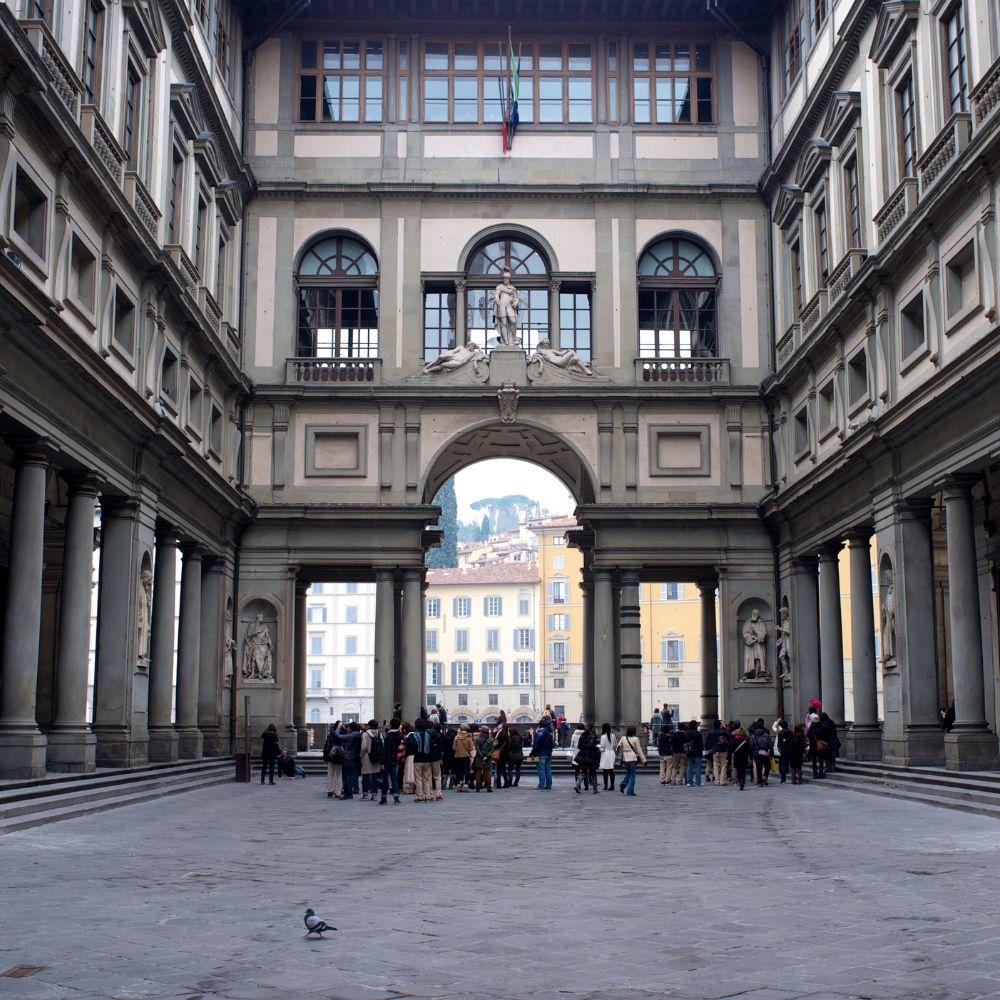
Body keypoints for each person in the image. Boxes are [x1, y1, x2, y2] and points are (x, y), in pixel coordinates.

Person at [406, 718, 434, 802]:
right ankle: (428, 796)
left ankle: (420, 796)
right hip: (427, 759)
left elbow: (410, 745)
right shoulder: (428, 735)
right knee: (426, 778)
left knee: (418, 779)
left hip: (418, 759)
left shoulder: (413, 735)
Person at [616, 726, 646, 796]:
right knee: (632, 775)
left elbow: (618, 747)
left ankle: (624, 783)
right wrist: (644, 760)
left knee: (629, 772)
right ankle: (630, 791)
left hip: (625, 759)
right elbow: (639, 750)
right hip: (632, 758)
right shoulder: (636, 739)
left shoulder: (623, 738)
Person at [379, 718, 403, 804]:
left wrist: (382, 762)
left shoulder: (388, 735)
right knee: (394, 779)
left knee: (385, 779)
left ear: (391, 725)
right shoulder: (400, 735)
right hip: (396, 759)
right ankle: (396, 797)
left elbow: (385, 750)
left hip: (387, 759)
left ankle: (384, 798)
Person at [360, 720, 383, 801]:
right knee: (375, 777)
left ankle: (365, 794)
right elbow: (382, 745)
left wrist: (361, 756)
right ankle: (374, 794)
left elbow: (363, 747)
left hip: (367, 756)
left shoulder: (365, 734)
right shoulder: (379, 734)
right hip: (376, 757)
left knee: (365, 776)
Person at [574, 723, 600, 794]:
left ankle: (577, 784)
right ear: (592, 728)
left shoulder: (583, 735)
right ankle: (595, 789)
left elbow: (579, 746)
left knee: (583, 771)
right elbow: (591, 746)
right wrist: (597, 748)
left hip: (583, 755)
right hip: (591, 756)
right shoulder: (593, 735)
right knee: (593, 772)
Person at [323, 722, 344, 798]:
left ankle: (329, 790)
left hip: (331, 756)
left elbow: (326, 746)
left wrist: (325, 757)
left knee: (330, 774)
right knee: (338, 775)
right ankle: (337, 791)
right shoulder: (343, 734)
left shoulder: (331, 734)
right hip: (339, 756)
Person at [531, 719, 554, 790]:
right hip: (548, 754)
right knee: (548, 770)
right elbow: (552, 745)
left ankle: (541, 785)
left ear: (539, 725)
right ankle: (549, 785)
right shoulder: (549, 734)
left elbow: (536, 745)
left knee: (541, 770)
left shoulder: (539, 734)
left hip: (541, 754)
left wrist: (532, 753)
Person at [452, 724, 474, 790]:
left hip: (457, 756)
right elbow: (471, 748)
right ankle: (466, 785)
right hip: (466, 756)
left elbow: (454, 748)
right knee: (466, 771)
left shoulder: (456, 737)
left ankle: (459, 784)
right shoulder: (469, 737)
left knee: (459, 771)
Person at [683, 720, 704, 787]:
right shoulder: (698, 733)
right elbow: (701, 744)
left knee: (689, 767)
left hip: (689, 752)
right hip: (697, 752)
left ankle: (689, 782)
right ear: (696, 726)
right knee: (697, 767)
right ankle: (698, 782)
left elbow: (684, 743)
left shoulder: (686, 733)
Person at [473, 726, 494, 792]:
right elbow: (492, 749)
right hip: (488, 758)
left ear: (482, 731)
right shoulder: (491, 739)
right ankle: (488, 787)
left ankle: (477, 788)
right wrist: (487, 756)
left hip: (479, 758)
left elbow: (477, 749)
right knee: (488, 773)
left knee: (478, 773)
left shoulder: (477, 738)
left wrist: (482, 756)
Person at [730, 726, 752, 790]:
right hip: (744, 758)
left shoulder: (734, 741)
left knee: (738, 771)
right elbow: (749, 750)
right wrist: (751, 758)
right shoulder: (746, 741)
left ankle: (740, 782)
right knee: (743, 771)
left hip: (736, 758)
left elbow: (731, 749)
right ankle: (742, 783)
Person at [751, 721, 771, 786]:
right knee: (767, 766)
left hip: (757, 753)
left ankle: (760, 781)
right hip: (765, 753)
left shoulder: (753, 736)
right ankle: (765, 776)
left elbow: (751, 745)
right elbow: (769, 744)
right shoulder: (766, 735)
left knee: (759, 767)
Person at [428, 721, 445, 801]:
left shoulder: (427, 735)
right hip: (436, 757)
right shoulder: (439, 736)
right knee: (437, 777)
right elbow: (441, 748)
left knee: (429, 777)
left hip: (428, 757)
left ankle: (430, 794)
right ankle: (438, 794)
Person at [808, 713, 826, 779]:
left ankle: (815, 774)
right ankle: (821, 773)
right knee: (821, 760)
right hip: (820, 745)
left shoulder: (811, 727)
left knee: (814, 761)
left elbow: (808, 735)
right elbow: (824, 736)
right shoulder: (822, 727)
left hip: (813, 745)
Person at [712, 720, 730, 787]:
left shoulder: (711, 732)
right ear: (719, 725)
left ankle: (717, 781)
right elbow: (728, 735)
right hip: (723, 751)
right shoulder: (722, 732)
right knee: (723, 766)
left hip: (715, 751)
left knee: (715, 766)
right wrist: (724, 727)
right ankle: (722, 781)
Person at [599, 722, 616, 790]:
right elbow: (615, 745)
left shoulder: (603, 736)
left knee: (605, 771)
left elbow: (602, 747)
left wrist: (599, 748)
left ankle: (605, 786)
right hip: (612, 753)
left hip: (605, 753)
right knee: (611, 770)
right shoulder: (613, 735)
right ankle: (612, 786)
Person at [399, 721, 415, 795]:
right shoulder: (413, 734)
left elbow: (408, 746)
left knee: (409, 773)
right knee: (412, 773)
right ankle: (412, 789)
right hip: (413, 755)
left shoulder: (409, 736)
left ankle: (409, 790)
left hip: (409, 756)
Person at [494, 721, 511, 789]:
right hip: (505, 753)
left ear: (503, 726)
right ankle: (506, 782)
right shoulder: (507, 734)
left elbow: (496, 743)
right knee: (503, 768)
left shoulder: (501, 733)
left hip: (500, 753)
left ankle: (499, 784)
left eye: (501, 724)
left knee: (499, 769)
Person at [774, 718, 792, 784]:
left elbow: (779, 742)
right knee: (787, 762)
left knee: (782, 763)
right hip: (789, 749)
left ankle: (783, 778)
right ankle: (787, 771)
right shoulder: (791, 732)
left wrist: (779, 748)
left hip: (782, 750)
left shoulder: (780, 732)